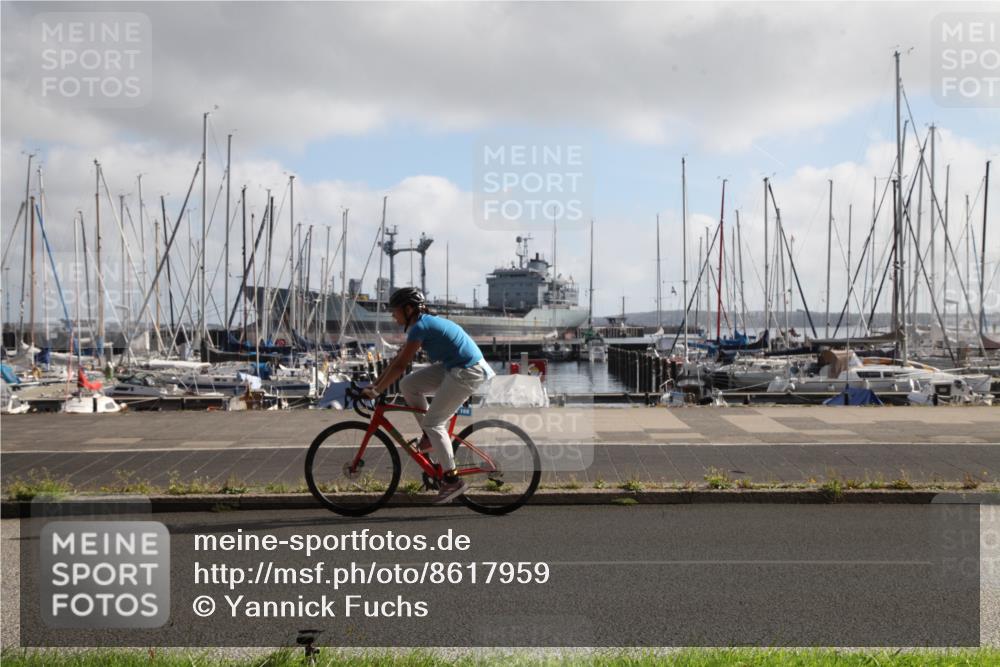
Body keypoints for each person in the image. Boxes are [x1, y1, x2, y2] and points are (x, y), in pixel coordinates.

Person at [361, 287, 495, 503]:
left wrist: (377, 391)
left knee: (435, 423)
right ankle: (429, 437)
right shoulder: (420, 325)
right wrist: (374, 385)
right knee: (408, 384)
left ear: (408, 309)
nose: (392, 315)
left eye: (395, 311)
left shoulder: (420, 326)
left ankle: (452, 481)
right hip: (455, 366)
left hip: (468, 370)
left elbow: (400, 365)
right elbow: (397, 362)